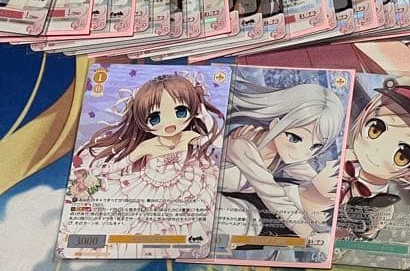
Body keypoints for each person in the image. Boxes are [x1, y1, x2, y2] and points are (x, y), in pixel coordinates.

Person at [70, 72, 225, 249]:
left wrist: (205, 116)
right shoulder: (147, 145)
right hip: (150, 191)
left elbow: (217, 142)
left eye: (180, 112)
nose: (169, 123)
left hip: (185, 184)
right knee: (149, 226)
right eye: (155, 118)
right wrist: (102, 171)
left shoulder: (188, 136)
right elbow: (124, 163)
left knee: (189, 220)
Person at [216, 75, 346, 245]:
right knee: (247, 222)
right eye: (295, 138)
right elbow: (272, 195)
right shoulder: (242, 145)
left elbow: (312, 180)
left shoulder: (284, 154)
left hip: (220, 199)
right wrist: (310, 236)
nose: (303, 153)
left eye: (315, 146)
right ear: (275, 123)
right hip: (195, 193)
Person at [339, 77, 410, 241]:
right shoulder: (339, 158)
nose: (378, 150)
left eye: (402, 156)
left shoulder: (383, 208)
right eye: (375, 129)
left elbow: (362, 236)